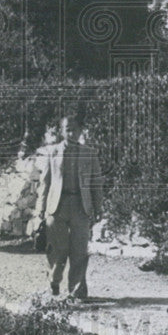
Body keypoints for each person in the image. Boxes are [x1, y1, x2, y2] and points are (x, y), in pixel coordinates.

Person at [35, 114, 104, 300]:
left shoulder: (89, 154)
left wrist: (98, 208)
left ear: (81, 131)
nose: (71, 133)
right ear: (61, 131)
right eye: (67, 129)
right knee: (58, 249)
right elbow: (45, 183)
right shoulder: (52, 152)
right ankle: (54, 279)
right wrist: (40, 209)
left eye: (75, 129)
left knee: (80, 250)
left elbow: (96, 184)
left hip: (81, 206)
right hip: (57, 206)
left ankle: (77, 291)